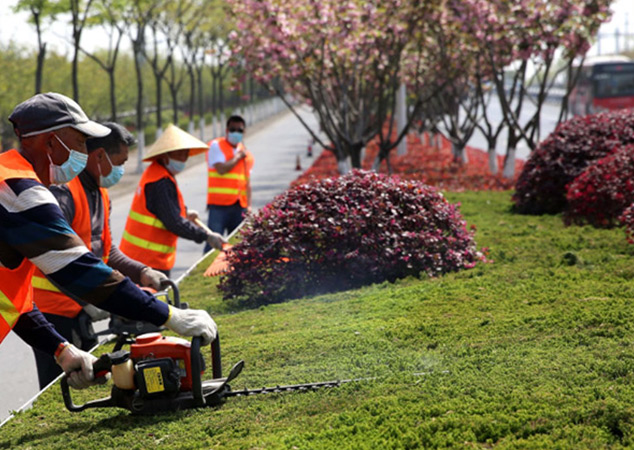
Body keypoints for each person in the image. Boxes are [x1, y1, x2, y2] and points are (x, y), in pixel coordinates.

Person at [0, 92, 217, 390]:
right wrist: (168, 315)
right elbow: (79, 268)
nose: (83, 152)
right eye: (78, 143)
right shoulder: (17, 189)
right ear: (50, 142)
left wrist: (60, 350)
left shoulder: (16, 182)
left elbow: (11, 302)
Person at [31, 122, 170, 389]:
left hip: (82, 306)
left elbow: (106, 251)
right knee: (56, 388)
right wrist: (88, 299)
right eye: (120, 162)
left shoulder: (101, 194)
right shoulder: (63, 193)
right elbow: (50, 256)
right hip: (52, 312)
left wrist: (142, 271)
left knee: (94, 377)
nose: (121, 171)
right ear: (99, 157)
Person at [119, 124, 226, 276]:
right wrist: (206, 236)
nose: (184, 158)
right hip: (146, 262)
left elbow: (163, 208)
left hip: (141, 259)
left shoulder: (157, 173)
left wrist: (185, 212)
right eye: (179, 154)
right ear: (165, 155)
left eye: (186, 153)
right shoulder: (160, 182)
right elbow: (173, 222)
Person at [204, 115, 254, 252]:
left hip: (239, 206)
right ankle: (205, 272)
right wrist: (238, 157)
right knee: (213, 245)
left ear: (244, 132)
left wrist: (249, 206)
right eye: (233, 129)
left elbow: (247, 182)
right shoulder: (216, 146)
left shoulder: (246, 153)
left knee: (238, 244)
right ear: (226, 130)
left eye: (239, 130)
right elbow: (221, 169)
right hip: (219, 206)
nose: (236, 133)